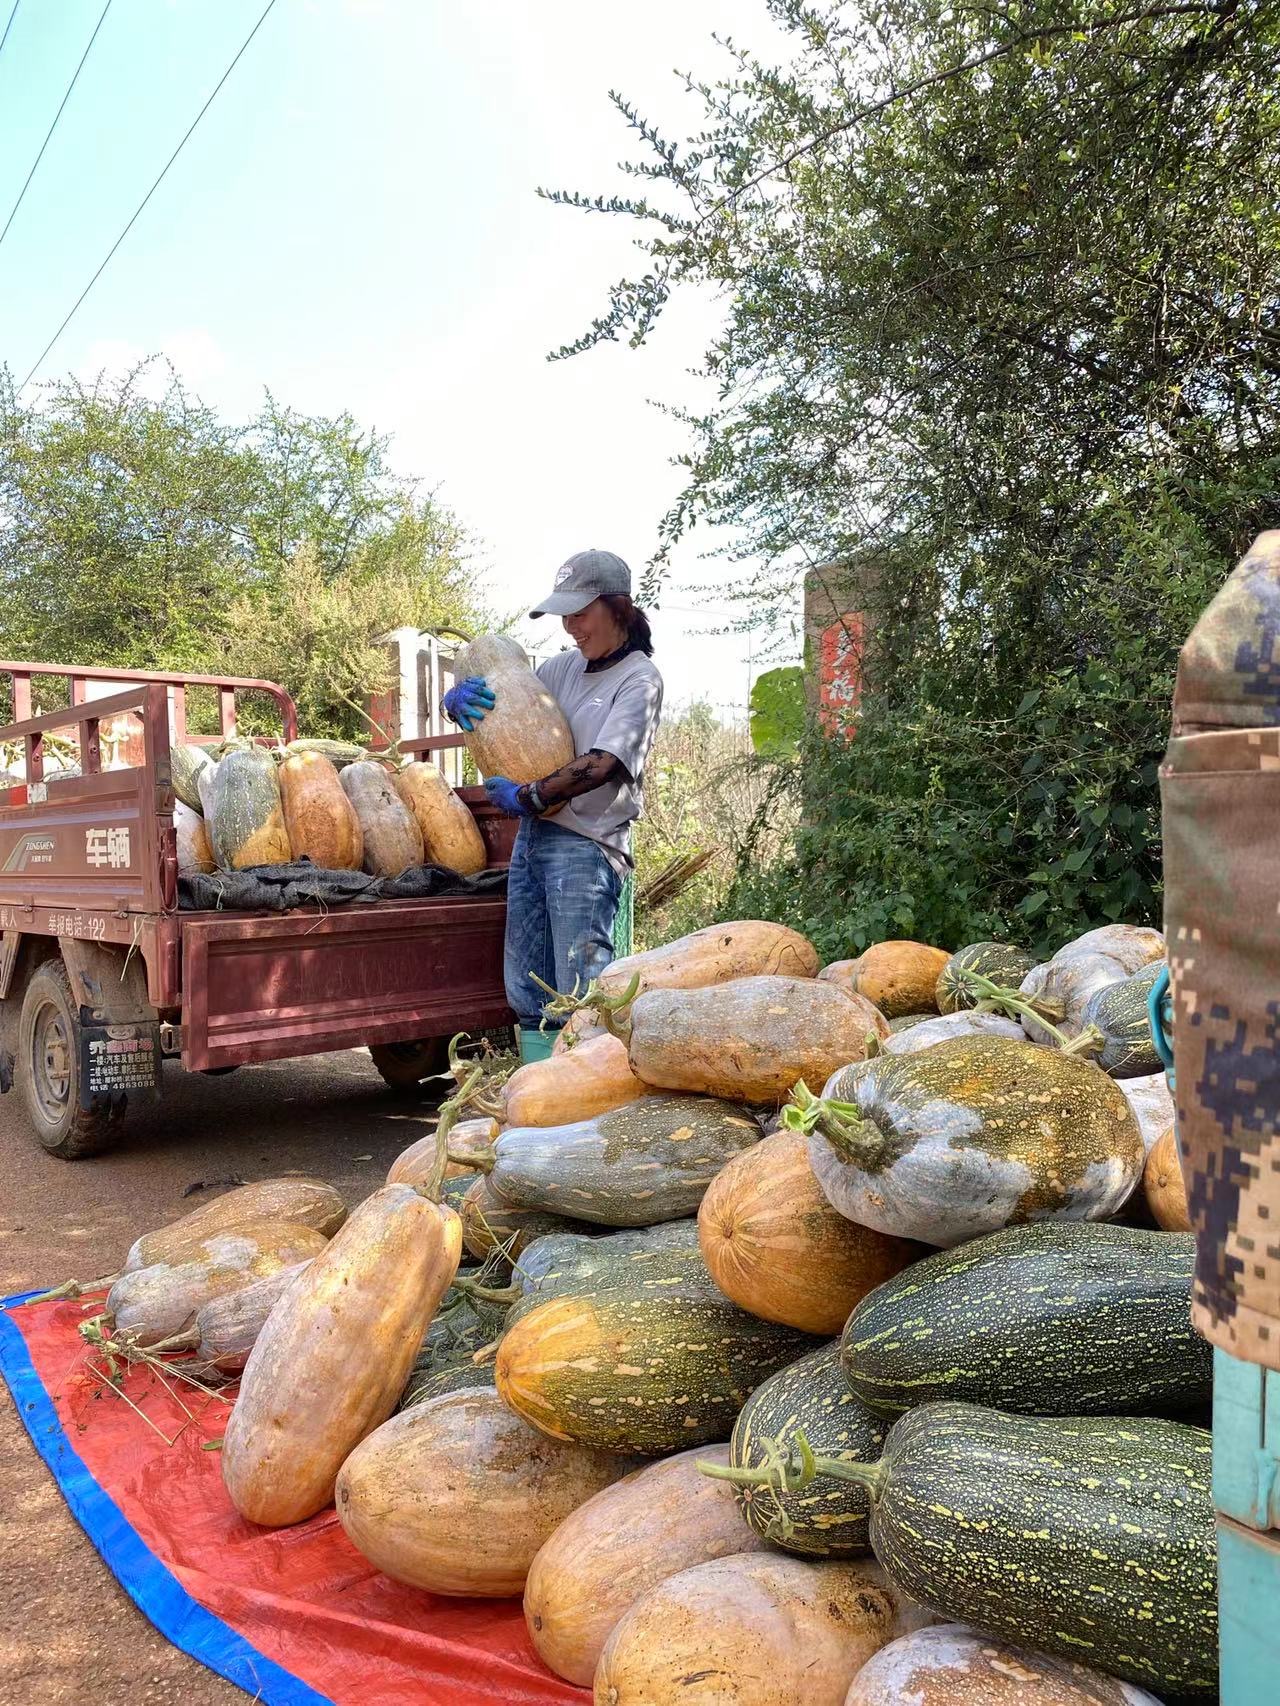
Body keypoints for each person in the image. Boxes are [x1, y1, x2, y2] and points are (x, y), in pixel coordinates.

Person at [443, 549, 663, 1058]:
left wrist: (529, 795)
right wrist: (457, 701)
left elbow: (604, 762)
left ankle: (585, 1102)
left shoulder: (639, 679)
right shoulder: (560, 669)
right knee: (527, 981)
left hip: (587, 846)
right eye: (566, 616)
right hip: (536, 836)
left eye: (580, 613)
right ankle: (538, 1097)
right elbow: (509, 714)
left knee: (579, 989)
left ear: (619, 609)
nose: (571, 627)